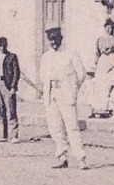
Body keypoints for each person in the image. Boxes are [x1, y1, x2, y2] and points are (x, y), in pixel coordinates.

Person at [39, 27, 91, 169]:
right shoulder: (46, 56)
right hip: (51, 94)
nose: (54, 42)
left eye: (56, 39)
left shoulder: (70, 53)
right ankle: (62, 156)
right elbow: (42, 76)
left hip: (66, 93)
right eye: (51, 40)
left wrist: (73, 90)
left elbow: (81, 74)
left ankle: (81, 159)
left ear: (61, 38)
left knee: (72, 127)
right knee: (55, 127)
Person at [0, 36, 21, 142]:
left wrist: (13, 87)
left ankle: (14, 135)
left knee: (11, 109)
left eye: (3, 46)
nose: (1, 48)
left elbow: (16, 73)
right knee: (0, 110)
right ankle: (3, 135)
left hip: (7, 85)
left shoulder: (12, 57)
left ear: (6, 46)